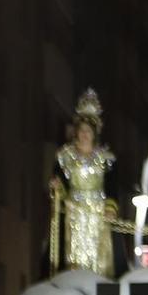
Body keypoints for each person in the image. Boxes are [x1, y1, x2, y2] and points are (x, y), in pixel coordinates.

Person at [49, 89, 117, 276]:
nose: (85, 134)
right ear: (76, 132)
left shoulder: (105, 158)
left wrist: (110, 208)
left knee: (100, 255)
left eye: (89, 131)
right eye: (82, 130)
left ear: (94, 133)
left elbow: (112, 186)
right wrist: (57, 188)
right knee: (72, 253)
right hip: (73, 212)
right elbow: (59, 184)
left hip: (98, 212)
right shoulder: (65, 156)